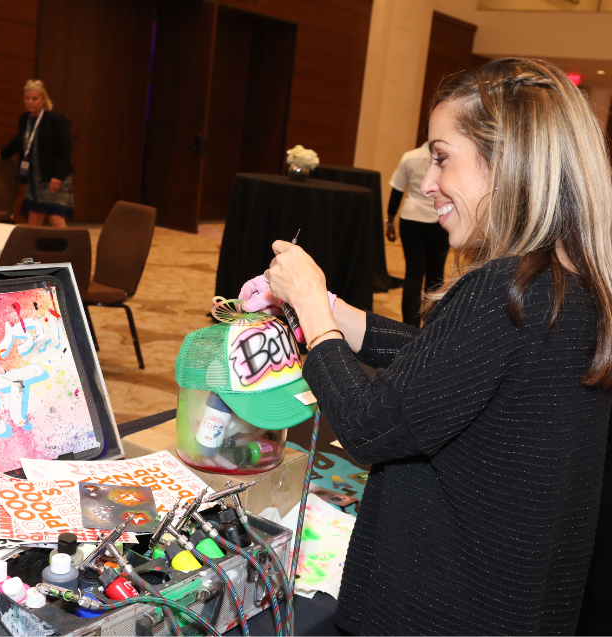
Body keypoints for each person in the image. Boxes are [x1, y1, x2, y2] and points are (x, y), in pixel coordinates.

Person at [239, 58, 612, 634]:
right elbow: (450, 363)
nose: (428, 182)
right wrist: (341, 314)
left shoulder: (503, 289)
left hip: (440, 607)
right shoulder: (570, 283)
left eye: (442, 157)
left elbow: (371, 425)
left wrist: (314, 313)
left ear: (507, 159)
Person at [387, 141, 451, 326]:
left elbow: (397, 191)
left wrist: (390, 221)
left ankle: (409, 326)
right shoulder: (447, 158)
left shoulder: (410, 157)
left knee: (413, 274)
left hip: (411, 218)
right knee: (436, 273)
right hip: (440, 218)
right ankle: (431, 325)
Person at [0, 79, 74, 226]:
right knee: (33, 218)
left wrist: (57, 176)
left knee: (56, 218)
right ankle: (31, 249)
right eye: (27, 98)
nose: (30, 102)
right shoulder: (25, 119)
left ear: (43, 99)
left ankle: (67, 248)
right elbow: (20, 139)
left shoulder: (55, 119)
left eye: (35, 98)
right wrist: (4, 152)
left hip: (54, 176)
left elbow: (66, 149)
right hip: (34, 177)